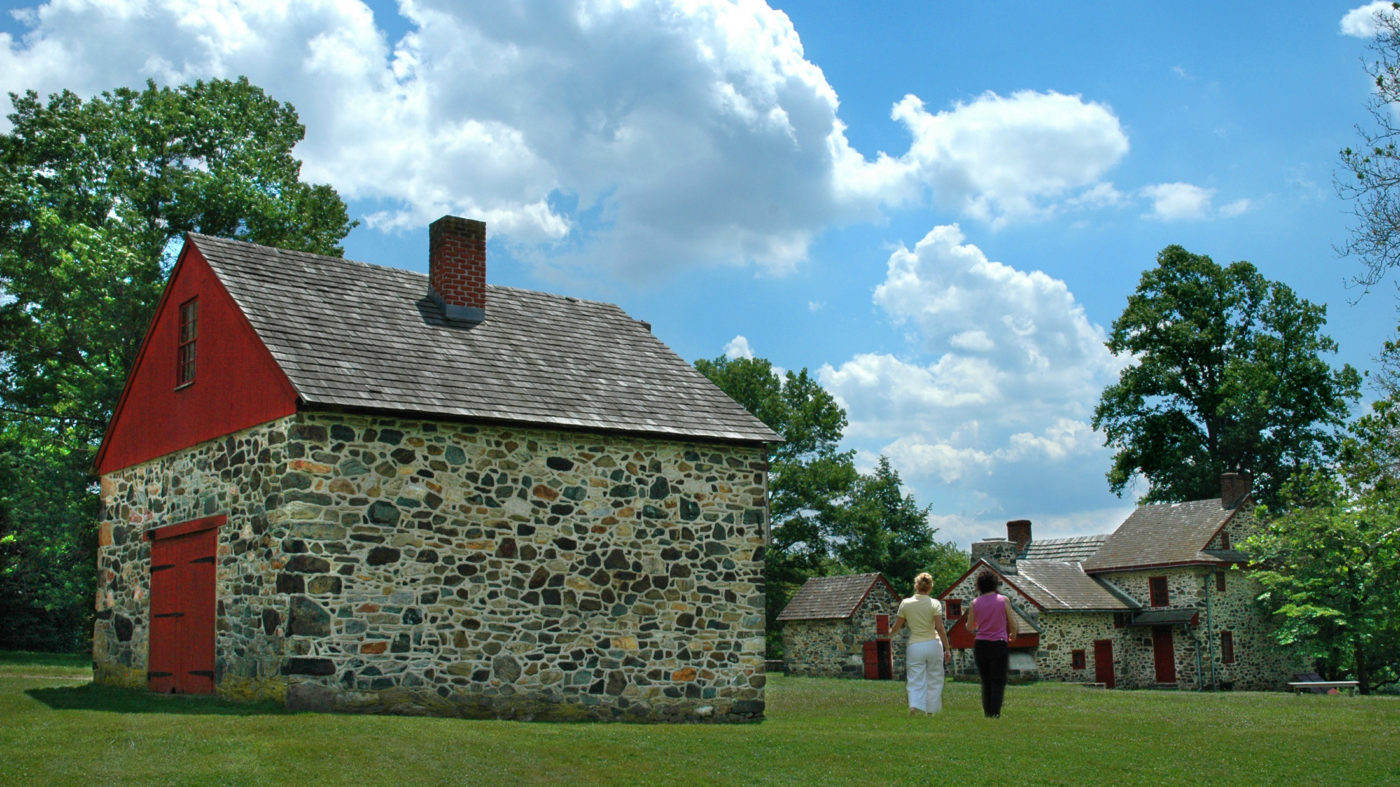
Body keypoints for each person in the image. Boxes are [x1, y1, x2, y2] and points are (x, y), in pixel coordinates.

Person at [888, 571, 952, 716]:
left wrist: (888, 633)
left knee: (915, 677)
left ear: (916, 585)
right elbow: (940, 628)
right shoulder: (934, 603)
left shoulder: (906, 603)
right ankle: (931, 710)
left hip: (915, 644)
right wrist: (947, 649)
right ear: (930, 587)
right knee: (934, 677)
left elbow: (897, 626)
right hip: (933, 643)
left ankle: (914, 706)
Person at [966, 570, 1018, 718]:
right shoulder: (1003, 600)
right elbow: (1012, 621)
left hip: (981, 644)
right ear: (995, 583)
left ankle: (987, 712)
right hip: (999, 643)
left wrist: (977, 623)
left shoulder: (974, 603)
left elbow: (970, 627)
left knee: (986, 680)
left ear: (979, 586)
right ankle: (995, 712)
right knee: (998, 680)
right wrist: (1013, 633)